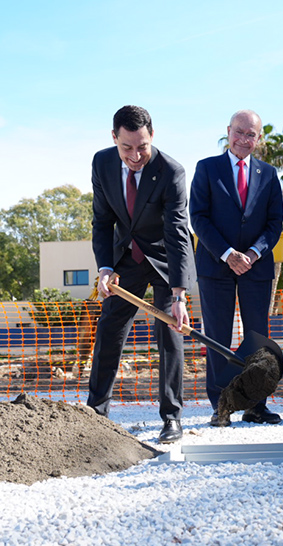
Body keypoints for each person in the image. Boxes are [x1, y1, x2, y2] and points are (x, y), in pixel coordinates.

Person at [87, 105, 195, 444]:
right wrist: (105, 267)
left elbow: (178, 232)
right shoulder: (102, 163)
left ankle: (171, 417)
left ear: (152, 136)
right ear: (114, 138)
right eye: (127, 147)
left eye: (143, 146)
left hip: (164, 258)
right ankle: (96, 413)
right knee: (109, 329)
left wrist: (179, 296)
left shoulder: (171, 171)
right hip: (126, 259)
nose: (135, 155)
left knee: (169, 334)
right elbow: (102, 222)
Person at [190, 109, 283, 427]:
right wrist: (228, 254)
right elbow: (198, 217)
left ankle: (257, 405)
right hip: (215, 266)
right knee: (216, 336)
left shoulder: (269, 175)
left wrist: (255, 254)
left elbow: (274, 224)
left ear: (258, 139)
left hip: (256, 269)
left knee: (258, 339)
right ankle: (221, 405)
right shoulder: (206, 168)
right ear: (228, 131)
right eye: (239, 132)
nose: (244, 139)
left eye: (251, 134)